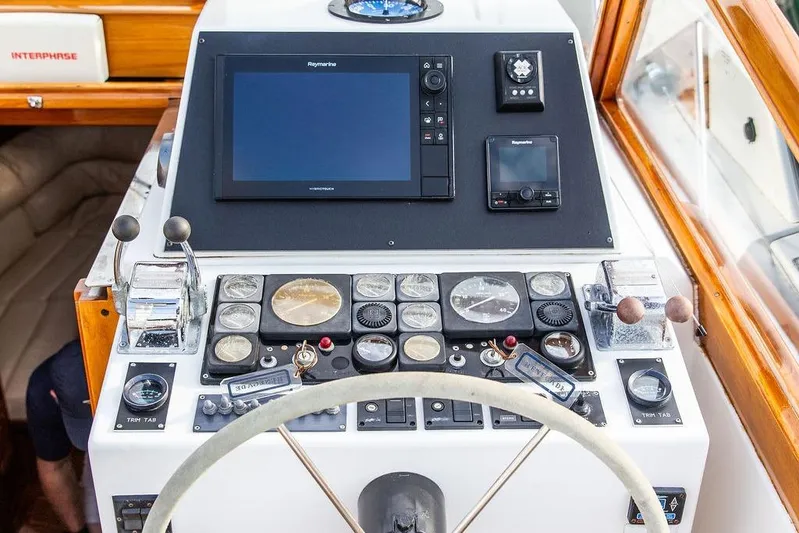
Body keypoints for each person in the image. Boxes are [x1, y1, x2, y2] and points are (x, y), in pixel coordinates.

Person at [22, 340, 100, 533]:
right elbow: (54, 467)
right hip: (98, 460)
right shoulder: (42, 391)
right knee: (97, 523)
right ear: (55, 396)